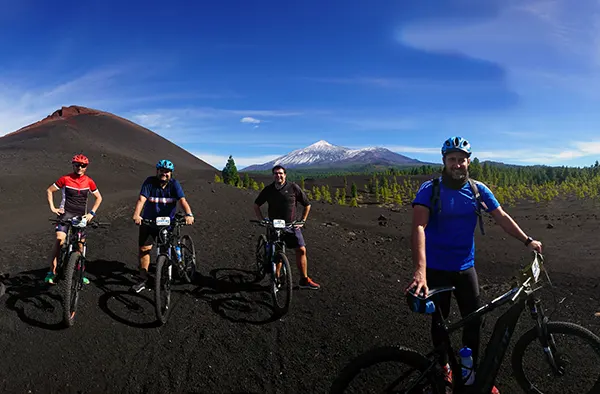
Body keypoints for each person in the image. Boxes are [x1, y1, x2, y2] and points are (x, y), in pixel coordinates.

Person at [405, 136, 542, 394]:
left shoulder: (478, 190)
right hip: (436, 268)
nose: (458, 164)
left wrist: (528, 240)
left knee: (473, 322)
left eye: (462, 160)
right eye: (452, 160)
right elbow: (419, 227)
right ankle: (442, 366)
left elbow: (501, 217)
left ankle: (470, 375)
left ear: (469, 162)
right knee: (440, 320)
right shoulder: (429, 189)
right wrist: (420, 270)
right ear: (444, 161)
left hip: (465, 266)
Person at [130, 159, 194, 292]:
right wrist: (137, 214)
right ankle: (143, 279)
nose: (164, 173)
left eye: (167, 171)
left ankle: (165, 276)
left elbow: (182, 200)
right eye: (162, 171)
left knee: (166, 250)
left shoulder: (174, 184)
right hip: (150, 222)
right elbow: (142, 199)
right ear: (157, 171)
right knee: (144, 250)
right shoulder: (149, 182)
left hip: (168, 224)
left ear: (171, 173)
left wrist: (189, 214)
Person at [254, 165, 320, 290]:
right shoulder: (268, 189)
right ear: (273, 175)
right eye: (275, 173)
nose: (278, 175)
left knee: (301, 250)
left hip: (291, 225)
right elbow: (256, 204)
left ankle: (304, 280)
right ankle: (276, 279)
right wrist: (261, 220)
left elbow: (307, 204)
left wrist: (303, 220)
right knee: (277, 252)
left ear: (285, 175)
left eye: (280, 173)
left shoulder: (293, 187)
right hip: (274, 226)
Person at [46, 154, 103, 284]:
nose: (80, 167)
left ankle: (79, 272)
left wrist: (91, 214)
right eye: (77, 165)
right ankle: (52, 271)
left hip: (80, 216)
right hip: (65, 214)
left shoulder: (89, 181)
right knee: (59, 240)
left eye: (83, 165)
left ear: (86, 167)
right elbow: (49, 190)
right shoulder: (65, 179)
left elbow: (99, 197)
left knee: (80, 245)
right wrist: (53, 208)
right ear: (73, 165)